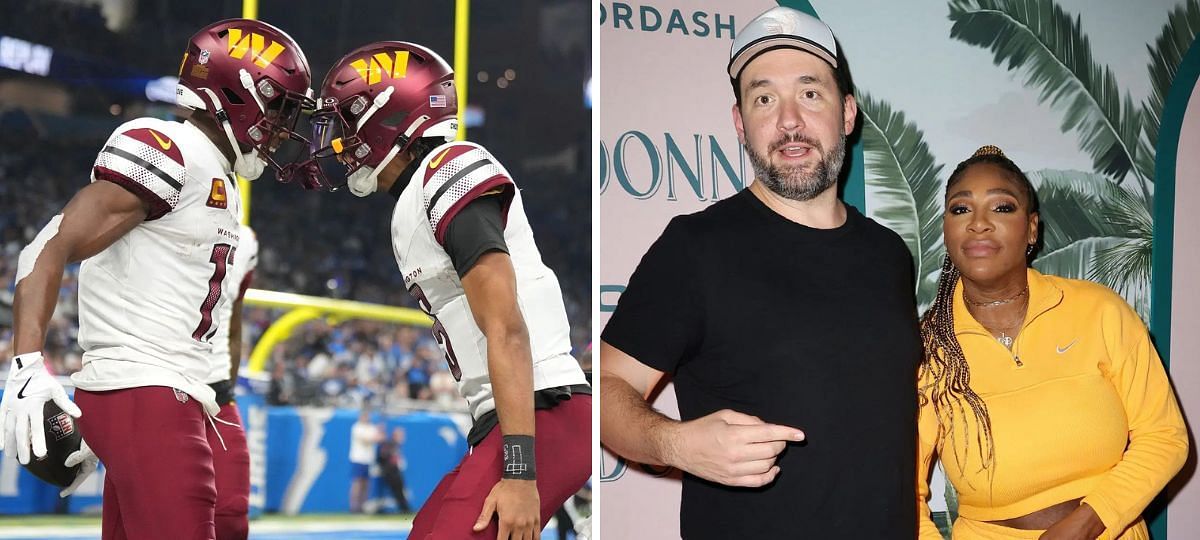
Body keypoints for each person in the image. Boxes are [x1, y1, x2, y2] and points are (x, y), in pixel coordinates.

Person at [598, 6, 921, 539]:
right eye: (764, 98)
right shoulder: (695, 248)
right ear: (740, 122)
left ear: (847, 114)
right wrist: (674, 444)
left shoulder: (889, 254)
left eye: (809, 93)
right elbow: (608, 387)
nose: (788, 120)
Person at [0, 18, 312, 539]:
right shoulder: (170, 146)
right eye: (278, 105)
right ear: (236, 94)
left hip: (162, 392)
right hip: (148, 394)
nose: (283, 125)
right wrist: (28, 363)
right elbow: (48, 247)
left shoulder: (214, 171)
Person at [295, 41, 591, 540]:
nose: (340, 141)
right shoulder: (416, 195)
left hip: (544, 413)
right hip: (511, 420)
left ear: (389, 116)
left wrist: (519, 470)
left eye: (348, 121)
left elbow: (506, 326)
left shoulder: (449, 170)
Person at [916, 146, 1189, 539]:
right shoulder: (928, 348)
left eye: (1001, 208)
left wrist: (1087, 523)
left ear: (1031, 228)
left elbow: (1165, 437)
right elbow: (902, 488)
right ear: (946, 229)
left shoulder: (1099, 311)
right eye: (961, 209)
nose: (978, 223)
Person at [206, 223, 258, 539]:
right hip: (163, 385)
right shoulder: (159, 206)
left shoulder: (246, 241)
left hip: (218, 392)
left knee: (230, 516)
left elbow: (234, 328)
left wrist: (228, 388)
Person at [349, 409, 383, 514]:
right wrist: (377, 433)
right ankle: (354, 507)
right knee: (357, 483)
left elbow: (380, 438)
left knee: (366, 484)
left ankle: (362, 506)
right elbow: (368, 439)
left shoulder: (371, 427)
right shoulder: (357, 427)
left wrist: (379, 432)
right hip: (358, 459)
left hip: (368, 460)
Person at [377, 425, 412, 513]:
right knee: (397, 490)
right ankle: (404, 509)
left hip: (393, 471)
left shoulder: (395, 445)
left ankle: (404, 508)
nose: (402, 437)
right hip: (391, 472)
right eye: (401, 435)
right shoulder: (390, 444)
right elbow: (382, 456)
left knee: (399, 489)